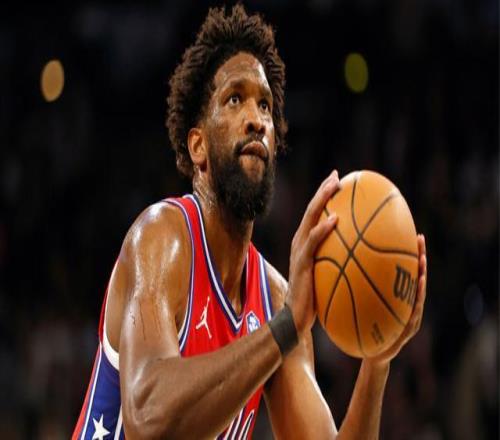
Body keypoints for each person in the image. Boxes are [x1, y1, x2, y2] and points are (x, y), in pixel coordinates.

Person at [72, 5, 427, 439]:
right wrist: (285, 328)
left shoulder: (276, 298)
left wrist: (377, 358)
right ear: (198, 146)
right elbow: (148, 419)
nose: (257, 120)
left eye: (265, 106)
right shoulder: (163, 237)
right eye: (234, 99)